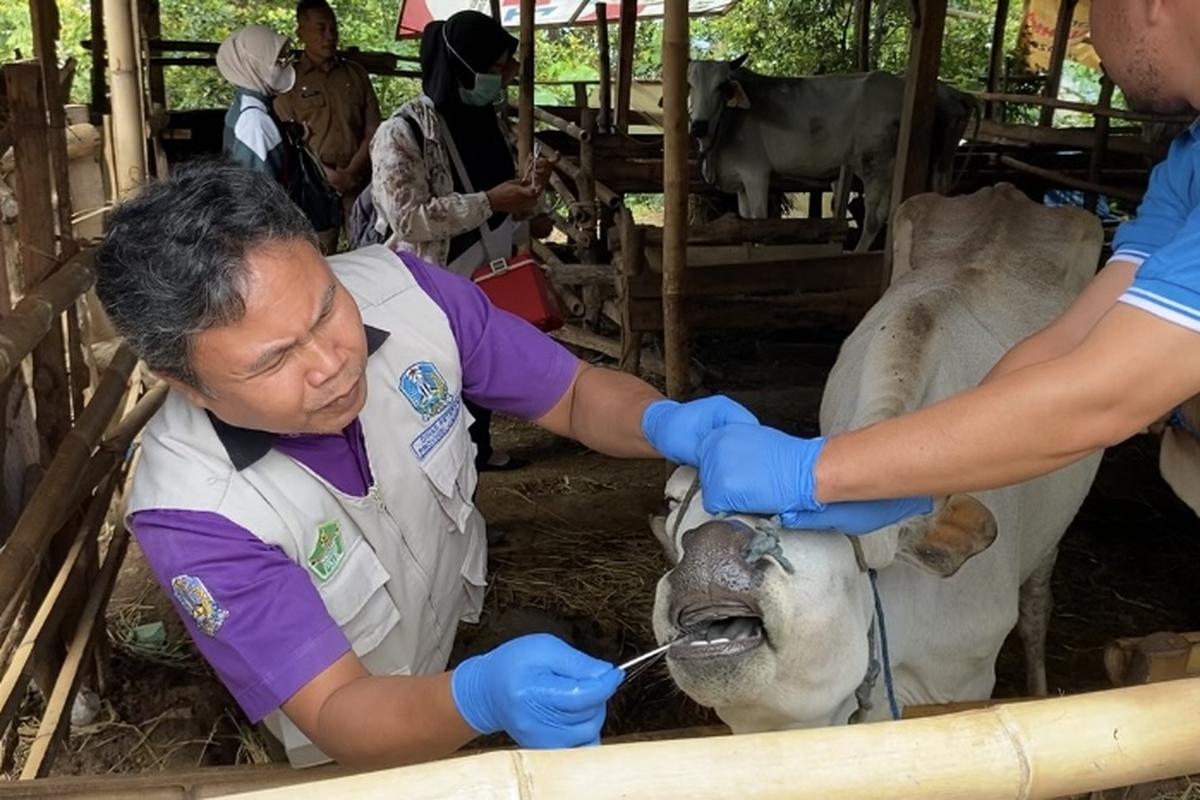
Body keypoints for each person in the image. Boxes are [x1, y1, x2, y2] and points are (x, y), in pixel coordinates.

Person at [94, 162, 755, 768]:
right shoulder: (195, 511)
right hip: (353, 743)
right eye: (273, 360)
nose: (333, 364)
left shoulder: (407, 294)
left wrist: (666, 424)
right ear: (182, 381)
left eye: (327, 308)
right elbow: (335, 708)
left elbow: (575, 394)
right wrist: (476, 700)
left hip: (445, 631)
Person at [666, 0, 1200, 539]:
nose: (1089, 36)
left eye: (1091, 9)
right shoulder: (1187, 163)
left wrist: (817, 472)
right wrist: (919, 478)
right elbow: (1071, 338)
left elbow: (1105, 393)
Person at [370, 10, 549, 473]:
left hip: (488, 271)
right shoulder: (403, 132)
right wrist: (491, 200)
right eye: (495, 66)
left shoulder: (486, 121)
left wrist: (526, 201)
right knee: (440, 386)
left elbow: (499, 198)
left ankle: (479, 451)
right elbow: (408, 218)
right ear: (462, 66)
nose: (504, 76)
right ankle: (450, 485)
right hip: (434, 281)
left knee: (478, 371)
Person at [274, 0, 382, 253]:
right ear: (301, 33)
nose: (330, 36)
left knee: (369, 254)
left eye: (333, 28)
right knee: (319, 257)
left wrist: (352, 172)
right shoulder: (290, 79)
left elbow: (373, 130)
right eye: (321, 28)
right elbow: (290, 140)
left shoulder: (355, 74)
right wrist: (328, 176)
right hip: (314, 187)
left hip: (358, 181)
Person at [216, 25, 296, 185]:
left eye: (284, 59)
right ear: (254, 67)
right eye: (277, 61)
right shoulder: (255, 122)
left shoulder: (246, 105)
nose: (284, 66)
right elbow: (261, 199)